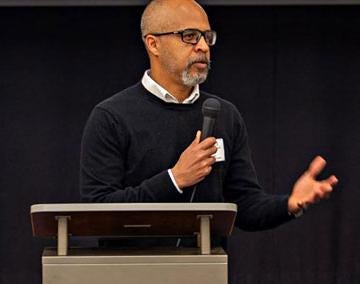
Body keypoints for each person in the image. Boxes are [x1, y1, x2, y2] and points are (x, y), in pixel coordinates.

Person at [80, 0, 338, 232]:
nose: (203, 46)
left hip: (205, 270)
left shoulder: (224, 114)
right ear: (153, 44)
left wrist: (290, 205)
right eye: (189, 36)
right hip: (129, 273)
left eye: (206, 36)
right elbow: (98, 209)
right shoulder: (111, 116)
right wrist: (174, 180)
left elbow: (244, 205)